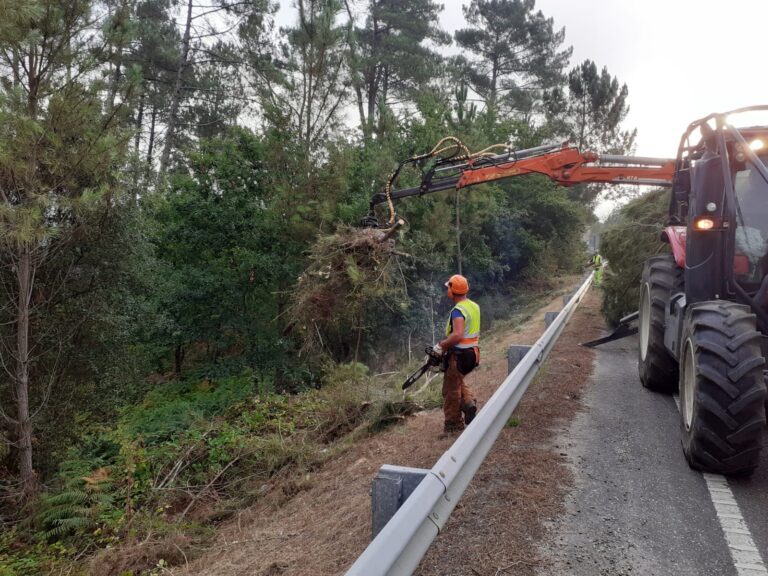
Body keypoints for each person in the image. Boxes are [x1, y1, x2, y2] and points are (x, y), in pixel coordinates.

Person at [433, 274, 480, 434]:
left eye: (449, 288)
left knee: (450, 391)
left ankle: (453, 426)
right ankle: (468, 404)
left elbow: (458, 335)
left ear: (452, 291)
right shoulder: (474, 306)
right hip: (473, 354)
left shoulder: (458, 311)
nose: (448, 290)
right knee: (457, 381)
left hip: (459, 356)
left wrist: (441, 345)